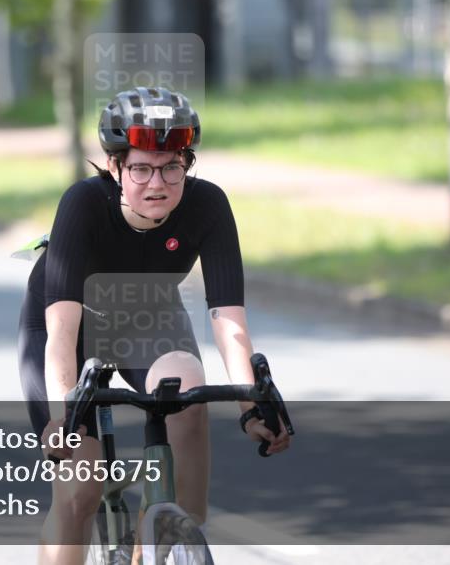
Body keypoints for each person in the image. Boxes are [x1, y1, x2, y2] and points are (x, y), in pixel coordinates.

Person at [17, 86, 291, 565]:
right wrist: (66, 415)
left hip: (148, 316)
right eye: (141, 168)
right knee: (80, 489)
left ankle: (164, 541)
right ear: (115, 167)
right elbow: (60, 332)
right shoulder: (83, 205)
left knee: (189, 394)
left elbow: (229, 321)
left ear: (187, 164)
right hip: (69, 331)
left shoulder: (207, 205)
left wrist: (252, 405)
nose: (157, 183)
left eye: (172, 166)